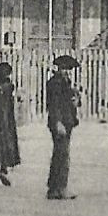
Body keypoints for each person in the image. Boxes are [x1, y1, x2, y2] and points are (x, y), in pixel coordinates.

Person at [45, 55, 81, 200]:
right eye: (66, 69)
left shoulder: (66, 83)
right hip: (60, 122)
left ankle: (54, 187)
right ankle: (59, 188)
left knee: (60, 154)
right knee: (62, 155)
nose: (68, 72)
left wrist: (76, 99)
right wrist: (58, 122)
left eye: (70, 70)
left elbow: (72, 103)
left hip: (67, 121)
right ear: (59, 68)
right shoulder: (55, 83)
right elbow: (54, 105)